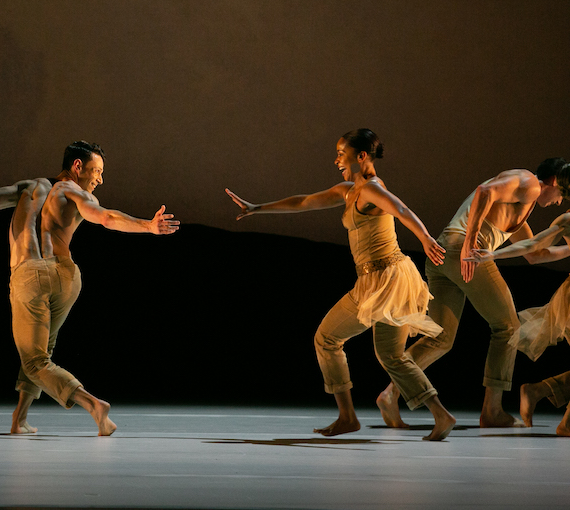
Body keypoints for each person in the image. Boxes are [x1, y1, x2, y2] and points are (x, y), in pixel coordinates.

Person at [0, 141, 179, 436]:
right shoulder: (74, 192)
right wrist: (147, 226)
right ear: (77, 166)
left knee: (34, 359)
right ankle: (19, 419)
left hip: (30, 276)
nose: (99, 179)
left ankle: (93, 405)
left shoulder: (28, 187)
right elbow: (107, 218)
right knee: (41, 351)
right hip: (66, 277)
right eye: (96, 171)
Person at [227, 129, 455, 440]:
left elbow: (401, 210)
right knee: (391, 355)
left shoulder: (372, 189)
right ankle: (441, 416)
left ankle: (348, 416)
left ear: (362, 156)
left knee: (326, 339)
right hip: (383, 278)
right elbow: (304, 202)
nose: (336, 159)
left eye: (342, 154)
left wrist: (426, 239)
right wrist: (258, 207)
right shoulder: (349, 190)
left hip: (384, 280)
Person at [377, 157, 566, 428]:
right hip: (463, 252)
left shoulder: (523, 206)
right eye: (563, 193)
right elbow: (484, 192)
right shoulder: (529, 183)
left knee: (442, 338)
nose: (560, 202)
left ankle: (390, 393)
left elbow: (535, 255)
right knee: (509, 327)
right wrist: (469, 243)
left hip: (442, 255)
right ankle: (492, 411)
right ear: (554, 181)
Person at [464, 166, 570, 435]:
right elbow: (532, 248)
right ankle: (557, 412)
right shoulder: (567, 219)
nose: (558, 199)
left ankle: (539, 393)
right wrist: (493, 255)